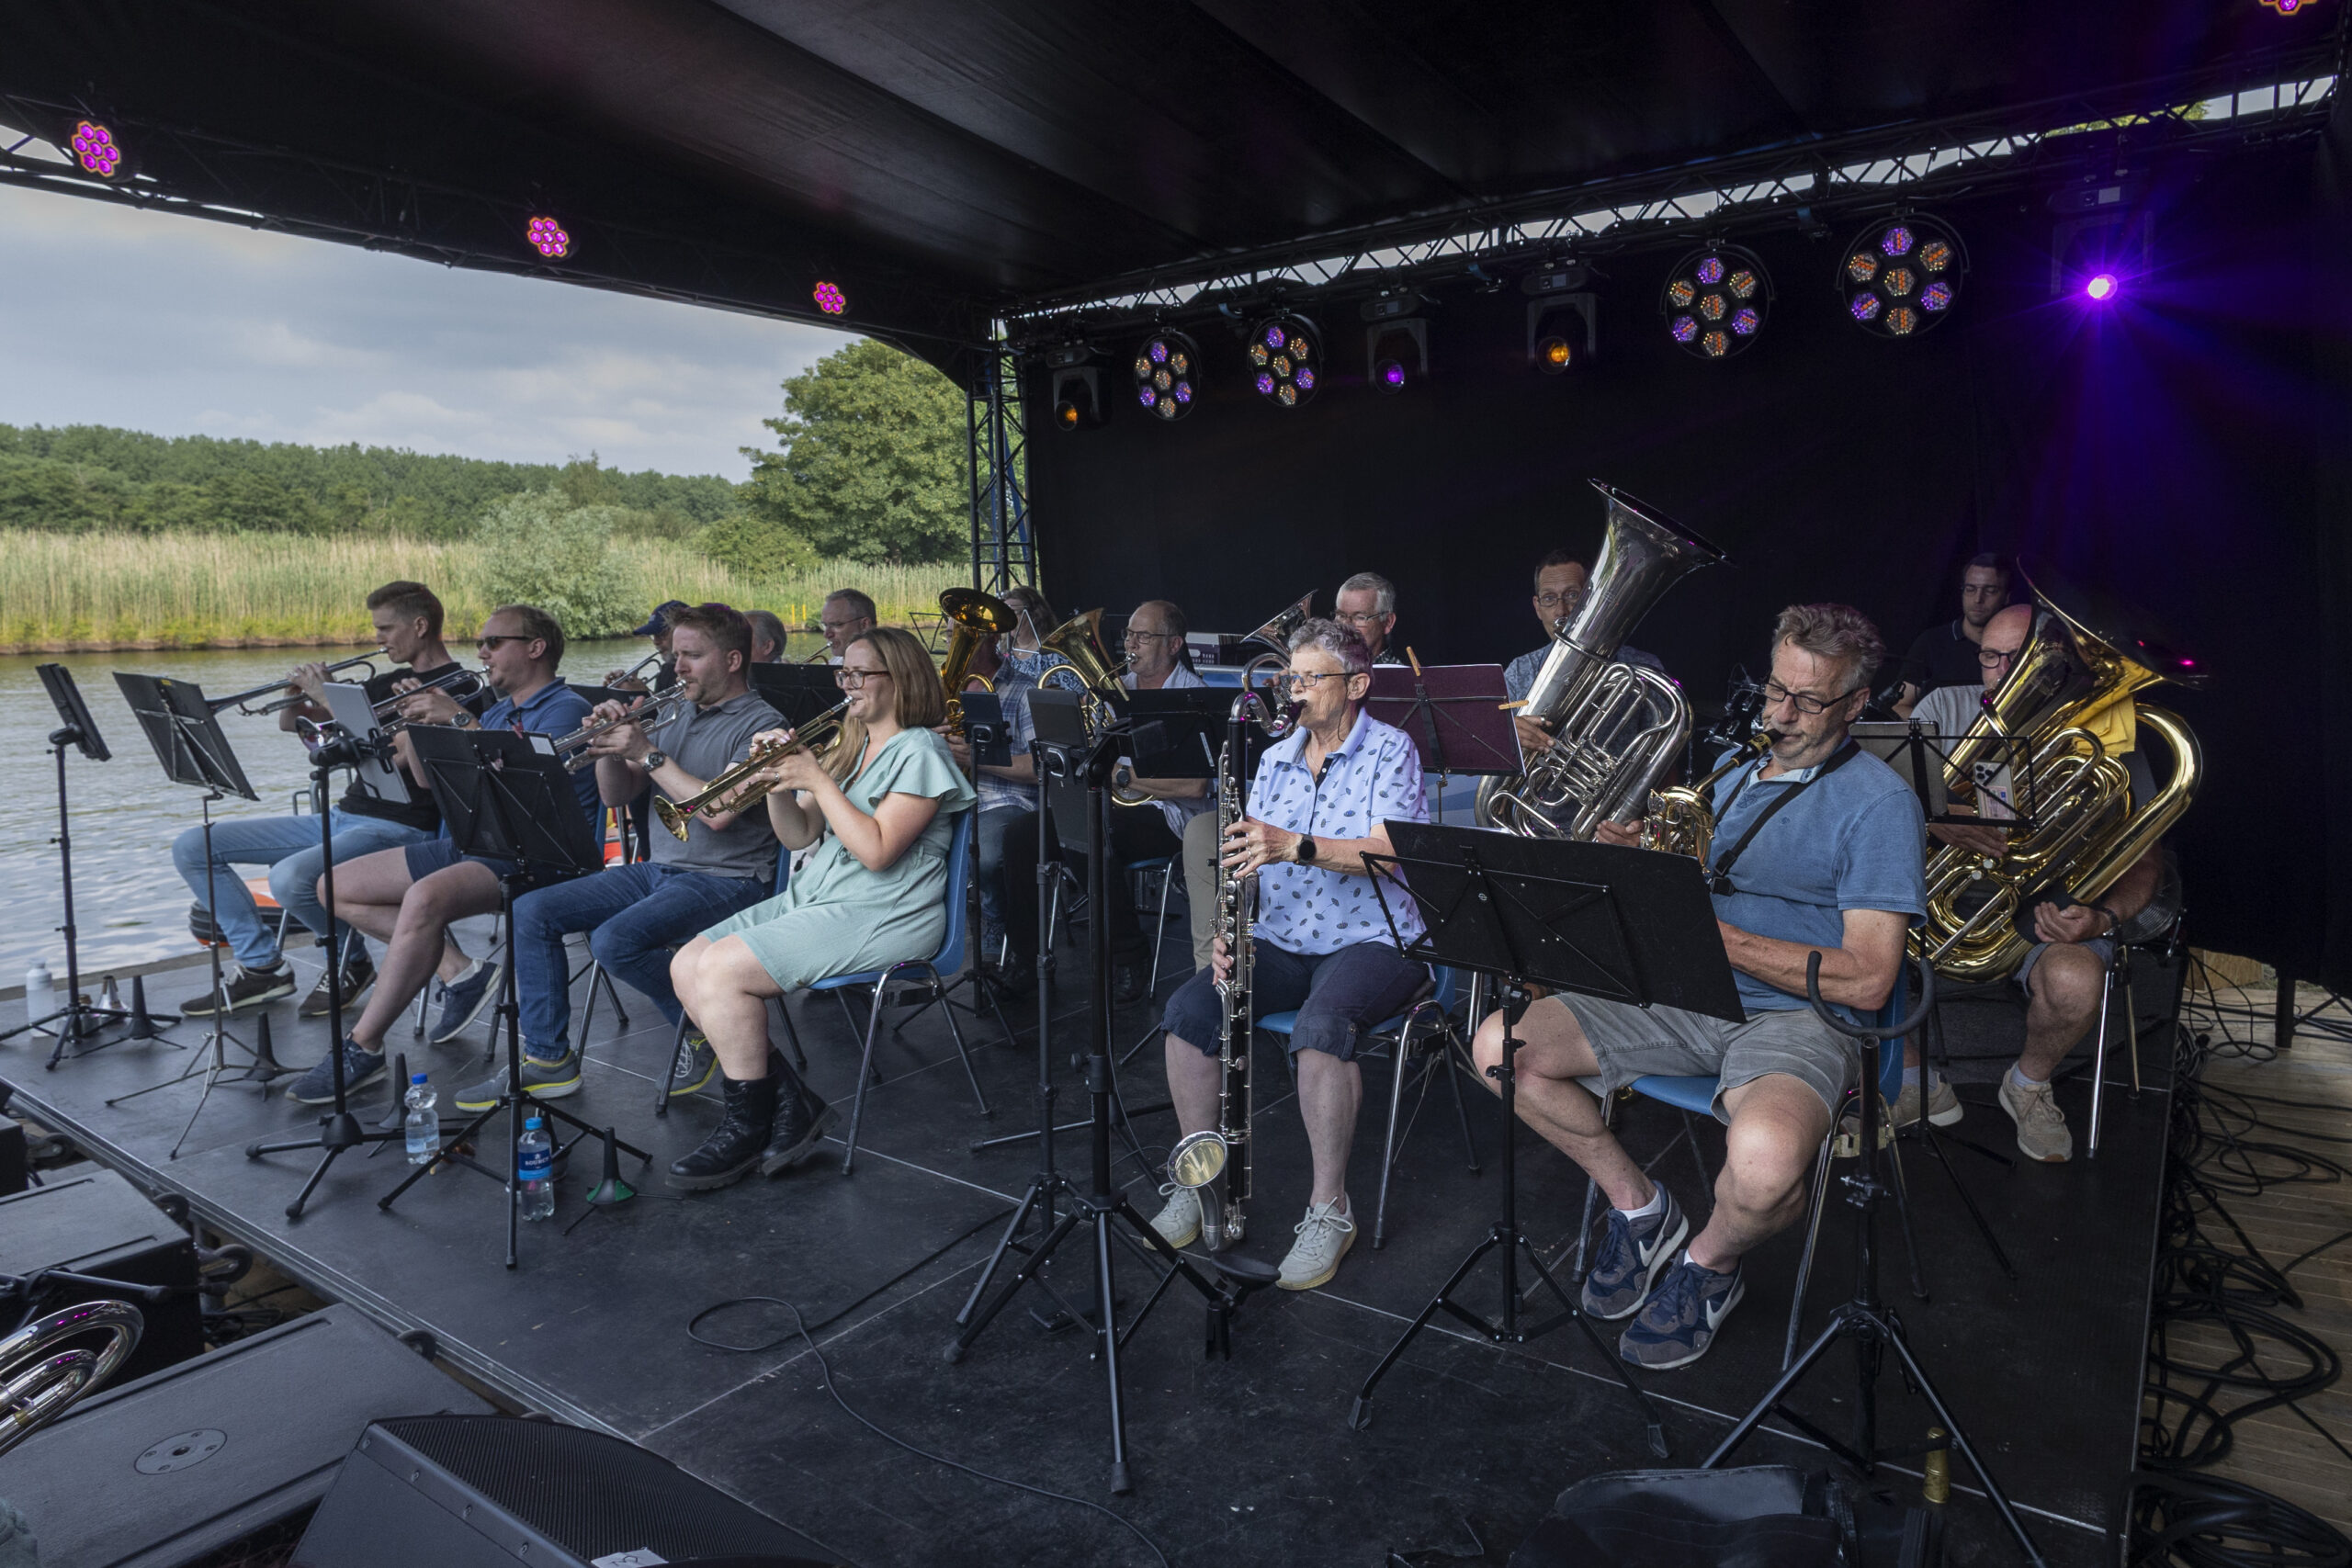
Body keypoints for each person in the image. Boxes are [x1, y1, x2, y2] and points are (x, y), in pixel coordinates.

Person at [1470, 604, 1925, 1371]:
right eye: (1775, 689)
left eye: (1808, 701)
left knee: (1764, 1166)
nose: (1780, 714)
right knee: (1499, 1046)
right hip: (1685, 992)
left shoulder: (1881, 804)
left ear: (1855, 704)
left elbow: (1872, 977)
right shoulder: (1737, 773)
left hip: (1799, 1017)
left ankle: (1709, 1262)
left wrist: (1724, 940)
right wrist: (1641, 856)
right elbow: (1698, 884)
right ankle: (1642, 1210)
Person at [1150, 618, 1432, 1292]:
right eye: (1290, 677)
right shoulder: (1276, 757)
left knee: (1320, 1030)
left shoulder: (1391, 749)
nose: (1294, 690)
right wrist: (1232, 926)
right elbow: (1248, 861)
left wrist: (1293, 844)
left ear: (1356, 685)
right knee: (1188, 1014)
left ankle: (1330, 1208)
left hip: (1375, 938)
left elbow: (1391, 852)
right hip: (1281, 938)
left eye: (1310, 678)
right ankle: (1200, 1183)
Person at [666, 626, 976, 1190]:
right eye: (843, 673)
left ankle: (746, 1126)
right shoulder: (846, 747)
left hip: (886, 911)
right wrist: (776, 784)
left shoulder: (921, 750)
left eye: (859, 674)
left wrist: (813, 777)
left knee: (723, 971)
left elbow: (878, 852)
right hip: (821, 897)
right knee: (687, 963)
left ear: (899, 679)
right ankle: (789, 1102)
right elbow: (799, 835)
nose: (847, 685)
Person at [450, 604, 784, 1112]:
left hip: (731, 878)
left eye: (691, 656)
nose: (677, 668)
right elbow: (615, 796)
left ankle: (703, 1025)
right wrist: (607, 749)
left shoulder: (763, 725)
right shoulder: (677, 712)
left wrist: (646, 750)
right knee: (532, 910)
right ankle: (549, 1061)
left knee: (615, 941)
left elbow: (717, 813)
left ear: (733, 660)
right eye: (675, 656)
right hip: (661, 869)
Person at [281, 604, 600, 1103]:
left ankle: (363, 1046)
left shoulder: (565, 708)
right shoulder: (499, 711)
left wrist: (458, 718)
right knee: (333, 885)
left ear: (535, 648)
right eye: (481, 643)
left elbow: (522, 790)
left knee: (424, 900)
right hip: (482, 842)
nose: (482, 652)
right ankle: (459, 970)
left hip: (541, 852)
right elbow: (432, 783)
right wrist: (420, 731)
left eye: (494, 642)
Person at [1909, 602, 2165, 1162]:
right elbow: (1871, 812)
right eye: (1990, 657)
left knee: (2074, 982)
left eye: (2020, 658)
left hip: (2042, 911)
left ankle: (2027, 1085)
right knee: (1844, 938)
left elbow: (2144, 858)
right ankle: (1911, 1082)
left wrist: (2104, 917)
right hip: (1934, 899)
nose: (2004, 672)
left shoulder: (2108, 735)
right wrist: (1926, 816)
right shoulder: (1941, 708)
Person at [172, 581, 481, 1020]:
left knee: (289, 878)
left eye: (386, 628)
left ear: (420, 626)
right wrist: (298, 695)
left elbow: (393, 753)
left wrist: (328, 697)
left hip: (403, 826)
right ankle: (262, 967)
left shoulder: (460, 687)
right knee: (193, 845)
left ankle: (350, 962)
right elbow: (296, 727)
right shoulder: (386, 682)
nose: (378, 638)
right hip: (346, 815)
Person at [999, 599, 1207, 1002]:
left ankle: (1128, 954)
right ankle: (1026, 959)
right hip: (1113, 806)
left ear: (1174, 645)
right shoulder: (1113, 691)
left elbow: (1194, 787)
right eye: (1128, 634)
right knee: (1022, 834)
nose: (1131, 644)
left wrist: (1122, 775)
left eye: (1144, 636)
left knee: (1089, 829)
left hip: (1171, 817)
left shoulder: (1192, 697)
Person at [1503, 549, 1668, 763]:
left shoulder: (1643, 666)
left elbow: (1664, 757)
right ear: (1537, 607)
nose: (1561, 611)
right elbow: (1490, 747)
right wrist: (1508, 735)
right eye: (1549, 598)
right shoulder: (1519, 670)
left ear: (1593, 599)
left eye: (1572, 595)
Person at [967, 585, 1056, 972]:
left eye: (966, 635)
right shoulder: (942, 689)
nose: (955, 644)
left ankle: (994, 921)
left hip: (1007, 802)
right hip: (951, 797)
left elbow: (1041, 768)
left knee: (985, 855)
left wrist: (976, 759)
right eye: (952, 635)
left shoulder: (1023, 690)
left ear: (990, 638)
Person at [1894, 555, 2011, 716]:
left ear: (2007, 597)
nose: (1978, 599)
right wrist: (1939, 729)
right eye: (1970, 589)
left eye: (1990, 591)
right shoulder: (1931, 642)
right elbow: (1899, 706)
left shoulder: (2017, 646)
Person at [612, 599, 690, 692]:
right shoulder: (666, 670)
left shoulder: (695, 670)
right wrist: (621, 692)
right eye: (653, 636)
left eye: (662, 634)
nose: (655, 642)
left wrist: (644, 692)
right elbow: (662, 700)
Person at [1333, 571, 1404, 665]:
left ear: (1388, 622)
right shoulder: (1324, 667)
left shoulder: (1402, 674)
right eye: (1341, 616)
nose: (1346, 626)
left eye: (1360, 617)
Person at [818, 589, 878, 662]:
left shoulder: (885, 664)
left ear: (864, 625)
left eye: (836, 625)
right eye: (825, 625)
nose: (826, 634)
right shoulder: (837, 660)